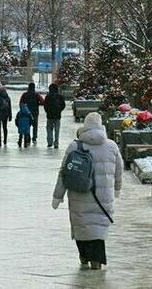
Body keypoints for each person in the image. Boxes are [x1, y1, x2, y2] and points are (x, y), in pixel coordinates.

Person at [52, 112, 123, 270]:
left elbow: (64, 173)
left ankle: (84, 255)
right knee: (98, 230)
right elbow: (119, 171)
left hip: (79, 198)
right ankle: (96, 260)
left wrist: (57, 196)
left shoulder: (75, 146)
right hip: (103, 200)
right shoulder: (112, 146)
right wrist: (117, 189)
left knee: (82, 227)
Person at [44, 83, 67, 149]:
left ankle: (50, 142)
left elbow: (45, 106)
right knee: (57, 130)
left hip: (49, 116)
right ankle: (56, 143)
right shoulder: (60, 96)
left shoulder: (48, 96)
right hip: (57, 116)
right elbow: (63, 105)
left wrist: (47, 112)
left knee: (49, 129)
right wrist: (59, 110)